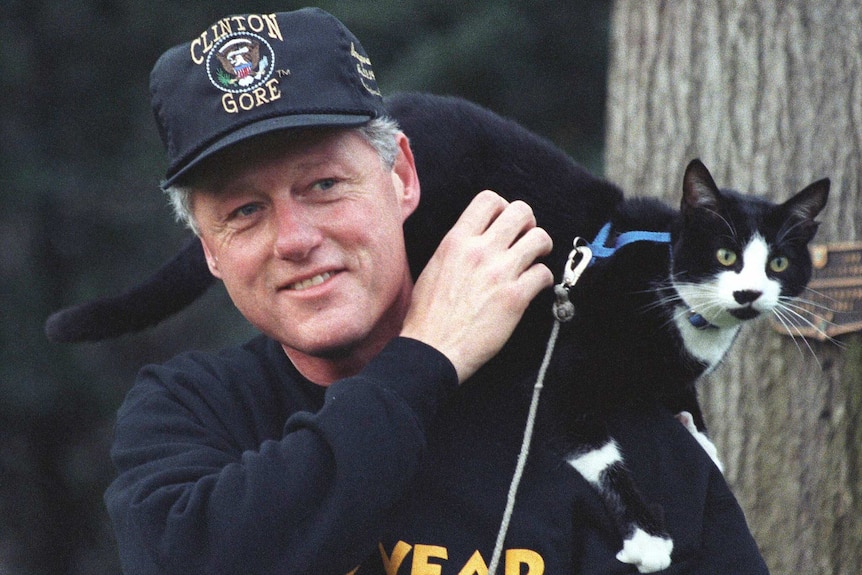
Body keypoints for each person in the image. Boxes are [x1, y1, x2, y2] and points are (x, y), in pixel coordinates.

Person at [105, 8, 770, 574]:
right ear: (211, 251)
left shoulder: (590, 405)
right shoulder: (190, 412)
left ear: (403, 180)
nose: (294, 238)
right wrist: (426, 356)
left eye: (324, 185)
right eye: (244, 211)